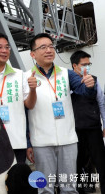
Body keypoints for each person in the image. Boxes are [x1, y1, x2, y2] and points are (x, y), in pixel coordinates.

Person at [25, 33, 95, 193]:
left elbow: (84, 90)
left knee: (69, 187)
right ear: (32, 54)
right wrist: (29, 143)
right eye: (43, 47)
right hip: (41, 142)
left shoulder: (66, 73)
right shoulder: (26, 77)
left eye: (51, 46)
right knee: (44, 188)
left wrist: (89, 85)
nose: (49, 50)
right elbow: (25, 110)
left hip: (68, 139)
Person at [0, 32, 37, 163]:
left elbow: (29, 105)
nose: (4, 51)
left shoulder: (20, 74)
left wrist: (33, 89)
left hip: (17, 142)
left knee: (16, 181)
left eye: (7, 47)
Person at [70, 50, 105, 194]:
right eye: (84, 64)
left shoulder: (94, 81)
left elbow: (102, 103)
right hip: (74, 131)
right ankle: (80, 190)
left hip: (93, 129)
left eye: (88, 64)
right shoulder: (67, 83)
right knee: (77, 164)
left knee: (101, 164)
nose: (87, 67)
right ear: (74, 66)